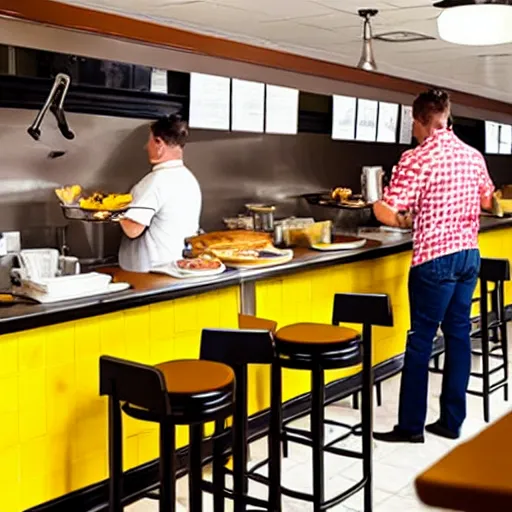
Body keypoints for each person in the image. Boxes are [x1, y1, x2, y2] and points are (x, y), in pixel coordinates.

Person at [372, 89, 495, 443]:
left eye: (413, 123)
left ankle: (410, 427)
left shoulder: (418, 157)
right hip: (468, 255)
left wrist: (396, 217)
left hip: (434, 260)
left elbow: (387, 208)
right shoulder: (473, 156)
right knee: (459, 335)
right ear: (447, 114)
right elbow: (487, 200)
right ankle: (451, 421)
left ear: (420, 120)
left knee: (420, 341)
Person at [118, 114, 201, 272]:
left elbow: (133, 229)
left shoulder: (154, 182)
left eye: (149, 140)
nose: (146, 146)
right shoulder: (189, 178)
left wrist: (109, 211)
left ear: (159, 143)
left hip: (152, 272)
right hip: (179, 266)